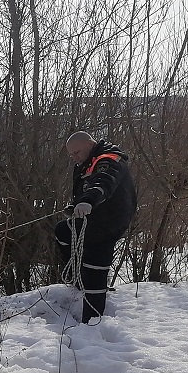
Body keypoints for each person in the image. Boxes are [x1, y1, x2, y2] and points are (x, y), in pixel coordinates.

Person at [55, 131, 137, 323]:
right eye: (71, 154)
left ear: (90, 144)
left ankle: (92, 322)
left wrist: (88, 201)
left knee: (94, 266)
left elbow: (103, 182)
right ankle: (78, 279)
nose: (74, 157)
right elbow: (86, 188)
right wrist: (77, 205)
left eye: (77, 152)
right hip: (93, 218)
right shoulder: (86, 162)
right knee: (63, 231)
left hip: (109, 221)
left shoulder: (108, 160)